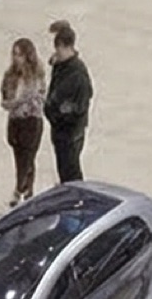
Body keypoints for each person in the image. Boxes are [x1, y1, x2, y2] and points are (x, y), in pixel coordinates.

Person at [0, 37, 46, 207]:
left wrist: (27, 103)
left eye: (19, 54)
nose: (16, 58)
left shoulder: (36, 75)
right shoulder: (9, 76)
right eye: (14, 54)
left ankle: (19, 190)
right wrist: (15, 103)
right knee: (22, 160)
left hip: (31, 121)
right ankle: (28, 192)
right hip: (15, 121)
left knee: (28, 157)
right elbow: (4, 100)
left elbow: (40, 98)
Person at [44, 20, 91, 185]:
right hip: (60, 130)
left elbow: (80, 105)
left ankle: (76, 196)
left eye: (58, 49)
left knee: (71, 171)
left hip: (70, 132)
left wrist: (59, 113)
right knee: (64, 168)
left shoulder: (77, 75)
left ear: (66, 47)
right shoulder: (62, 66)